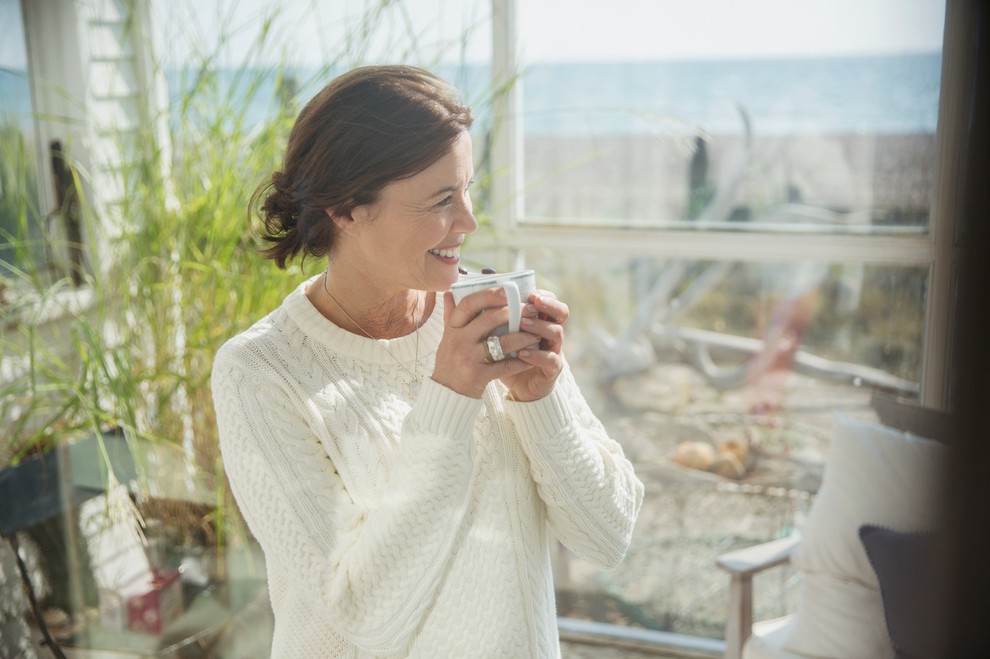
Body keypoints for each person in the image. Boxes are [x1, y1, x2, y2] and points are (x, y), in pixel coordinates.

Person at [211, 65, 644, 658]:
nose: (468, 222)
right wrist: (451, 396)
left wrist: (545, 400)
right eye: (442, 200)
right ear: (346, 209)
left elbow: (608, 535)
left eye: (467, 190)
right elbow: (361, 619)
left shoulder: (484, 315)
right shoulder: (259, 375)